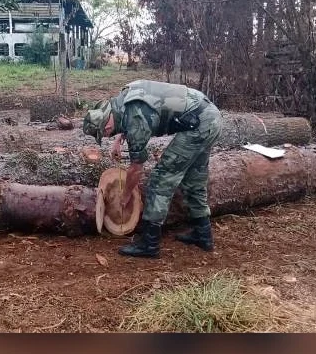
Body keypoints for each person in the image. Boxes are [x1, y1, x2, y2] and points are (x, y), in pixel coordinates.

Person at [82, 80, 222, 258]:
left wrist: (125, 196)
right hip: (208, 117)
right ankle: (203, 235)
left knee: (160, 178)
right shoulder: (122, 101)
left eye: (106, 134)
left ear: (107, 126)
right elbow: (138, 113)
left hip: (200, 125)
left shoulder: (135, 120)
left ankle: (150, 243)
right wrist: (119, 138)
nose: (108, 136)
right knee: (194, 179)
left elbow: (136, 169)